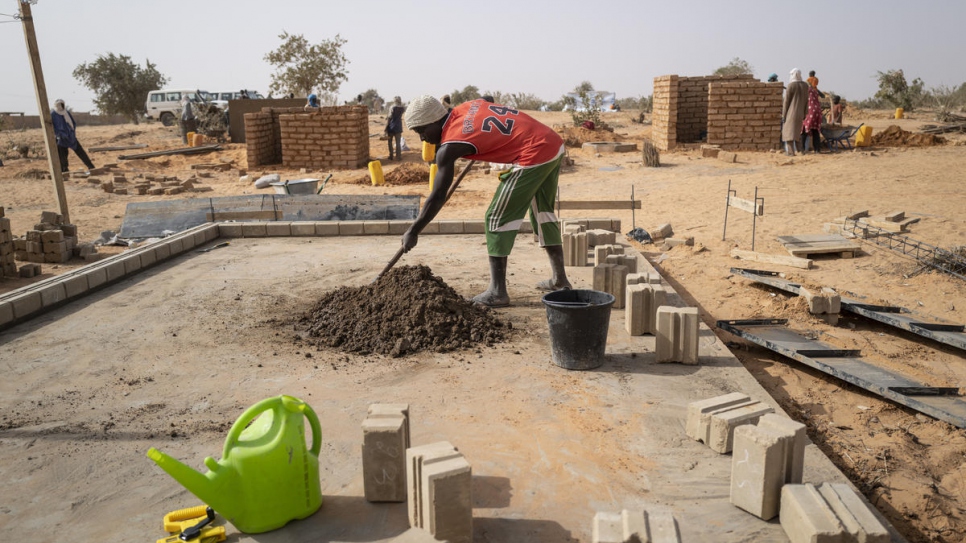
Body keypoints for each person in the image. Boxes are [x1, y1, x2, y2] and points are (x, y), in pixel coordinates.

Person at [401, 95, 571, 307]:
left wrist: (414, 230)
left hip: (533, 153)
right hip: (552, 143)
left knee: (496, 218)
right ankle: (560, 281)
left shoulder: (449, 146)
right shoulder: (467, 106)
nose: (422, 139)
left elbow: (437, 196)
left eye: (421, 131)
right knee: (542, 213)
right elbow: (487, 99)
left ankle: (497, 292)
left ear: (434, 121)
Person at [50, 99, 95, 172]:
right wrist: (60, 134)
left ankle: (91, 167)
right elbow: (52, 127)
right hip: (61, 138)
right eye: (59, 105)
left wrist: (71, 132)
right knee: (63, 155)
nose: (61, 106)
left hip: (71, 137)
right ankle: (64, 170)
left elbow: (73, 124)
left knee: (80, 152)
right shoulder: (53, 114)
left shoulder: (66, 112)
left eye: (62, 104)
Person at [782, 69, 809, 156]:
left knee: (788, 132)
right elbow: (806, 101)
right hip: (801, 112)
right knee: (797, 133)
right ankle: (800, 151)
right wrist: (805, 113)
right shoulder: (805, 85)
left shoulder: (791, 85)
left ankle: (790, 152)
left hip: (791, 112)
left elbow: (786, 102)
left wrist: (784, 115)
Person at [802, 85, 824, 153]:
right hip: (817, 111)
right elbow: (823, 96)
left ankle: (802, 149)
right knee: (815, 130)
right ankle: (817, 149)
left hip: (810, 111)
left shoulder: (807, 91)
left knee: (804, 129)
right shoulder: (815, 92)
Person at [385, 96, 406, 160]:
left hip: (391, 127)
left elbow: (389, 117)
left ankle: (391, 156)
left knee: (390, 142)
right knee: (398, 143)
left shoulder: (392, 107)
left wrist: (386, 127)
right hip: (399, 127)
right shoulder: (402, 108)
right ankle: (398, 157)